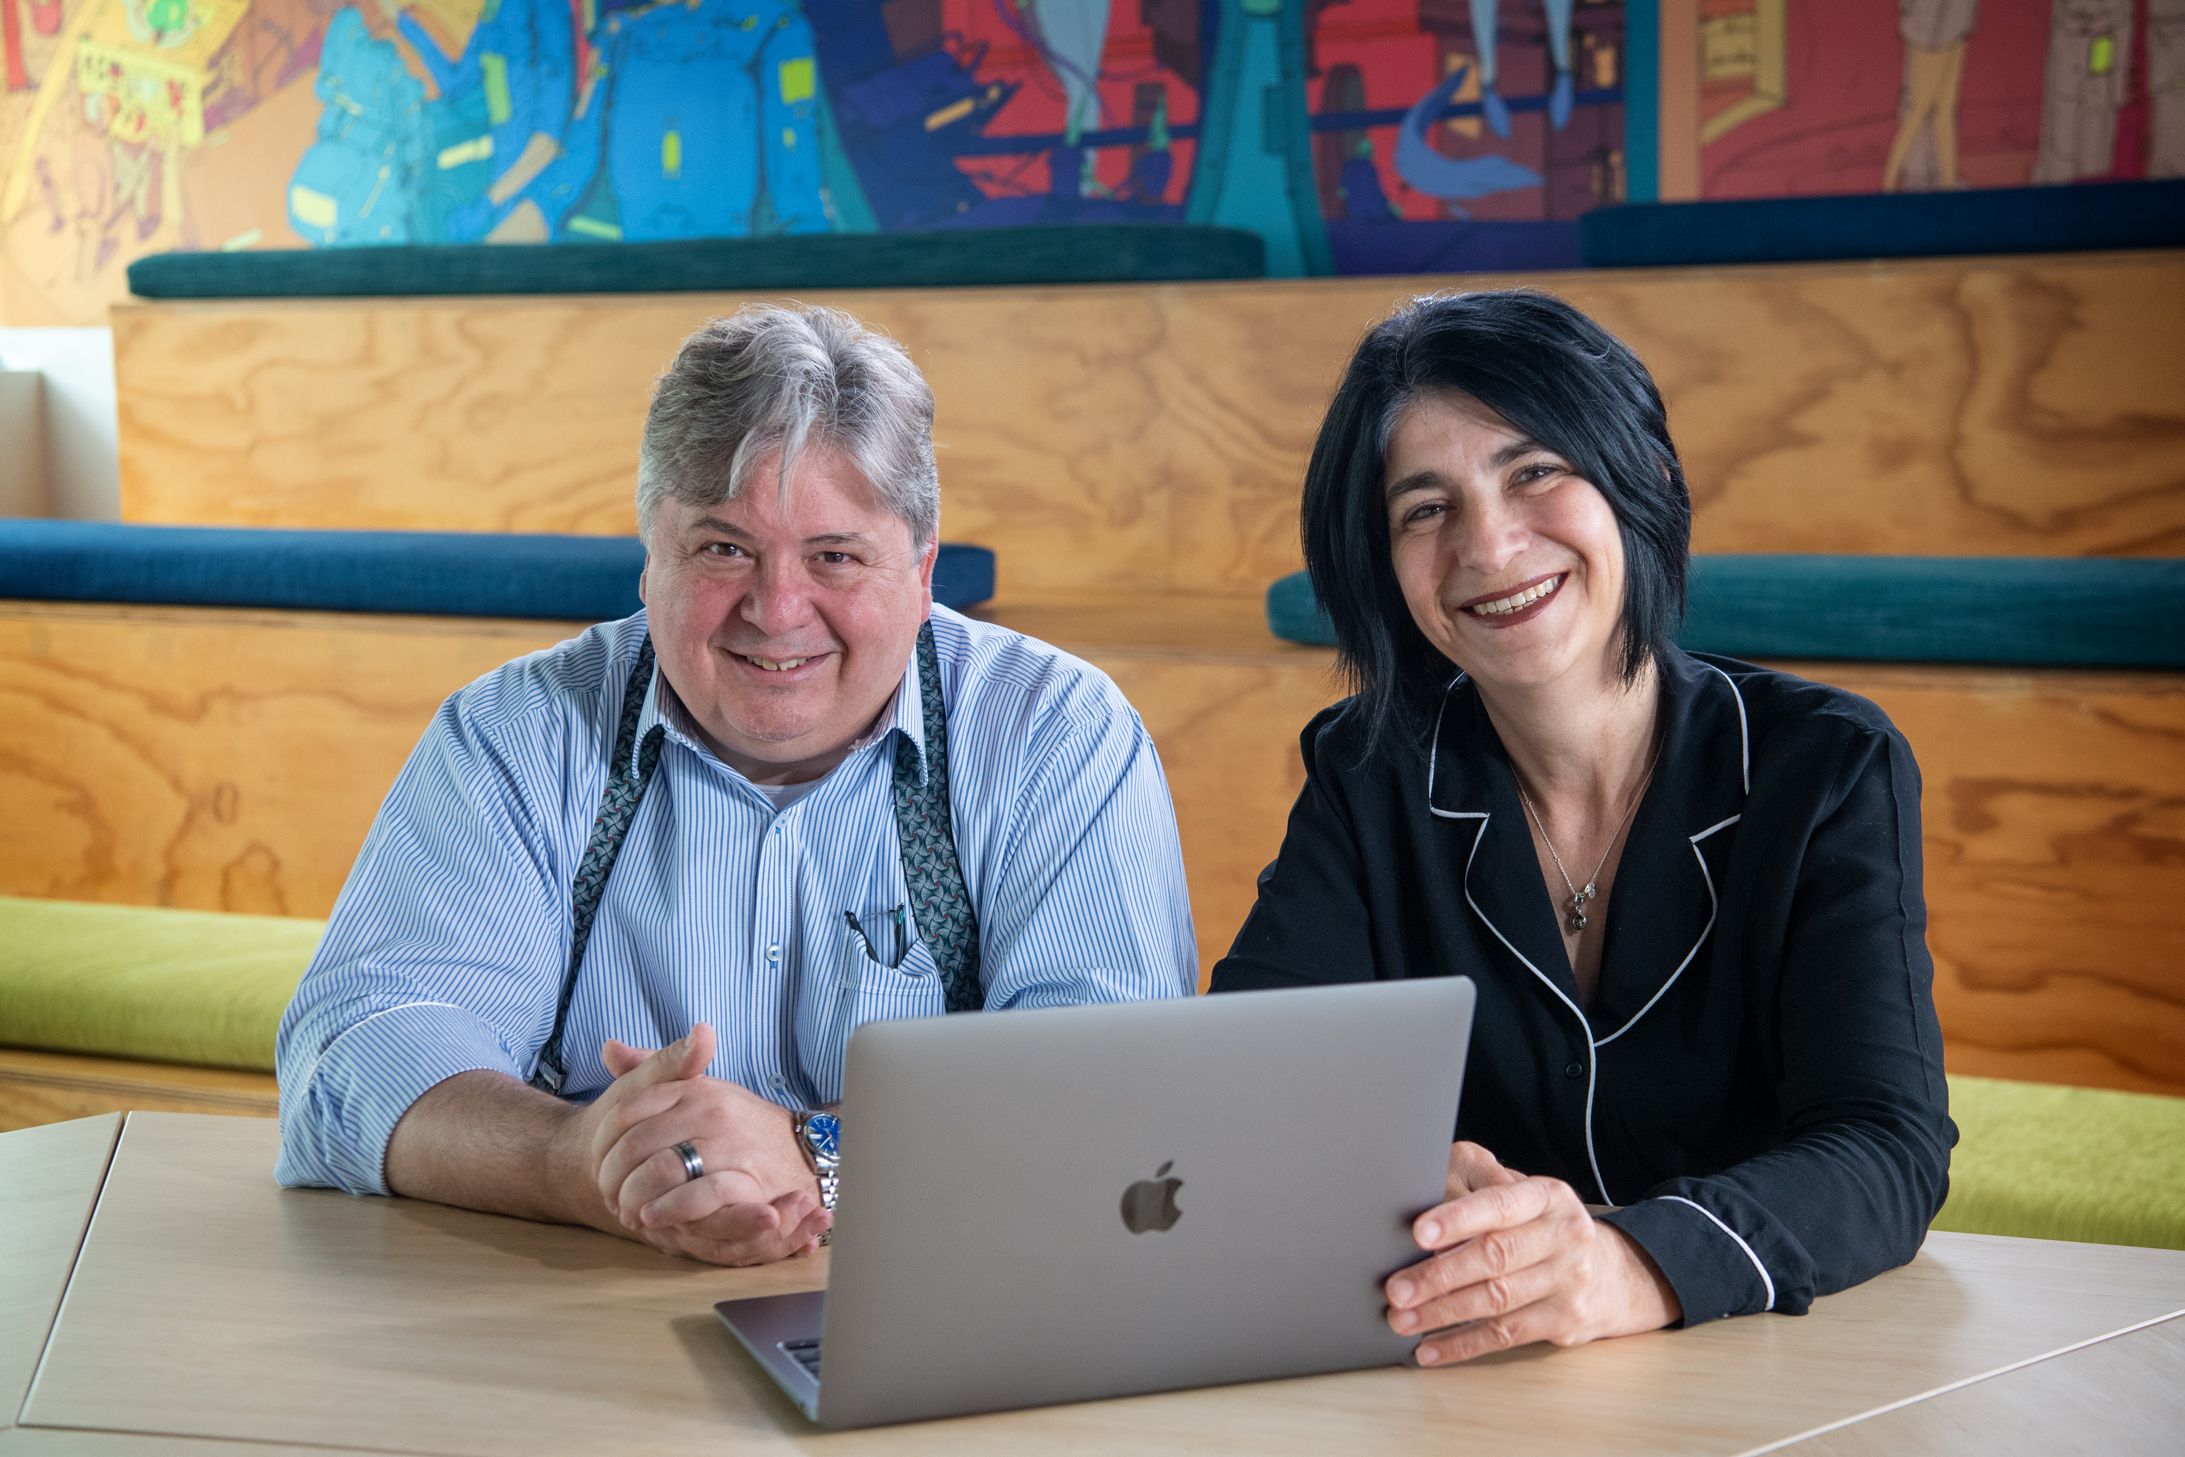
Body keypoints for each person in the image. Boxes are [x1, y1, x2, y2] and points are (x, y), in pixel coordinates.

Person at [278, 304, 1197, 1265]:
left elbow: (1108, 1088)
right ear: (651, 561)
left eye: (835, 556)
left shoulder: (1055, 733)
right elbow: (355, 1052)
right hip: (580, 1300)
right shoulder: (516, 730)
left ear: (922, 573)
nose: (776, 609)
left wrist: (814, 1151)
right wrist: (575, 1158)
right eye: (723, 549)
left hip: (950, 1293)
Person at [1211, 291, 1955, 1365]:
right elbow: (1248, 1081)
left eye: (1533, 472)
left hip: (1767, 1357)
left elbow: (1885, 1147)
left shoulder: (1824, 764)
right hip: (1467, 1374)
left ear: (1640, 476)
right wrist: (1398, 1171)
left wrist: (1634, 1261)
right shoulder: (1366, 767)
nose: (1490, 544)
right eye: (1425, 508)